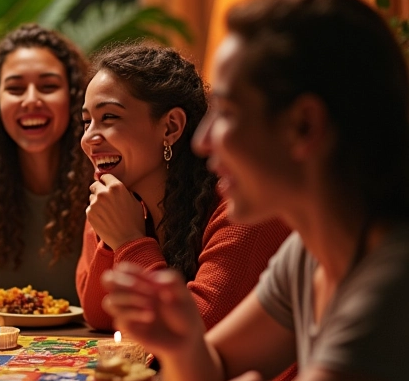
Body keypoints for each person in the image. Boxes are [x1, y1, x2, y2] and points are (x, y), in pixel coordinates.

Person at [102, 0, 409, 381]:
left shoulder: (393, 283)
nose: (204, 139)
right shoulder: (311, 253)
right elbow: (208, 376)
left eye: (230, 114)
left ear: (304, 127)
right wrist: (188, 349)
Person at [77, 42, 288, 332]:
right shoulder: (117, 202)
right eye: (86, 122)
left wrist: (129, 241)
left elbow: (194, 330)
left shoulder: (239, 209)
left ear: (171, 127)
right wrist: (112, 237)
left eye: (109, 117)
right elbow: (101, 317)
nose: (89, 139)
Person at [0, 24, 92, 305]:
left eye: (48, 86)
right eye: (15, 88)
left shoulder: (107, 191)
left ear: (74, 98)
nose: (31, 100)